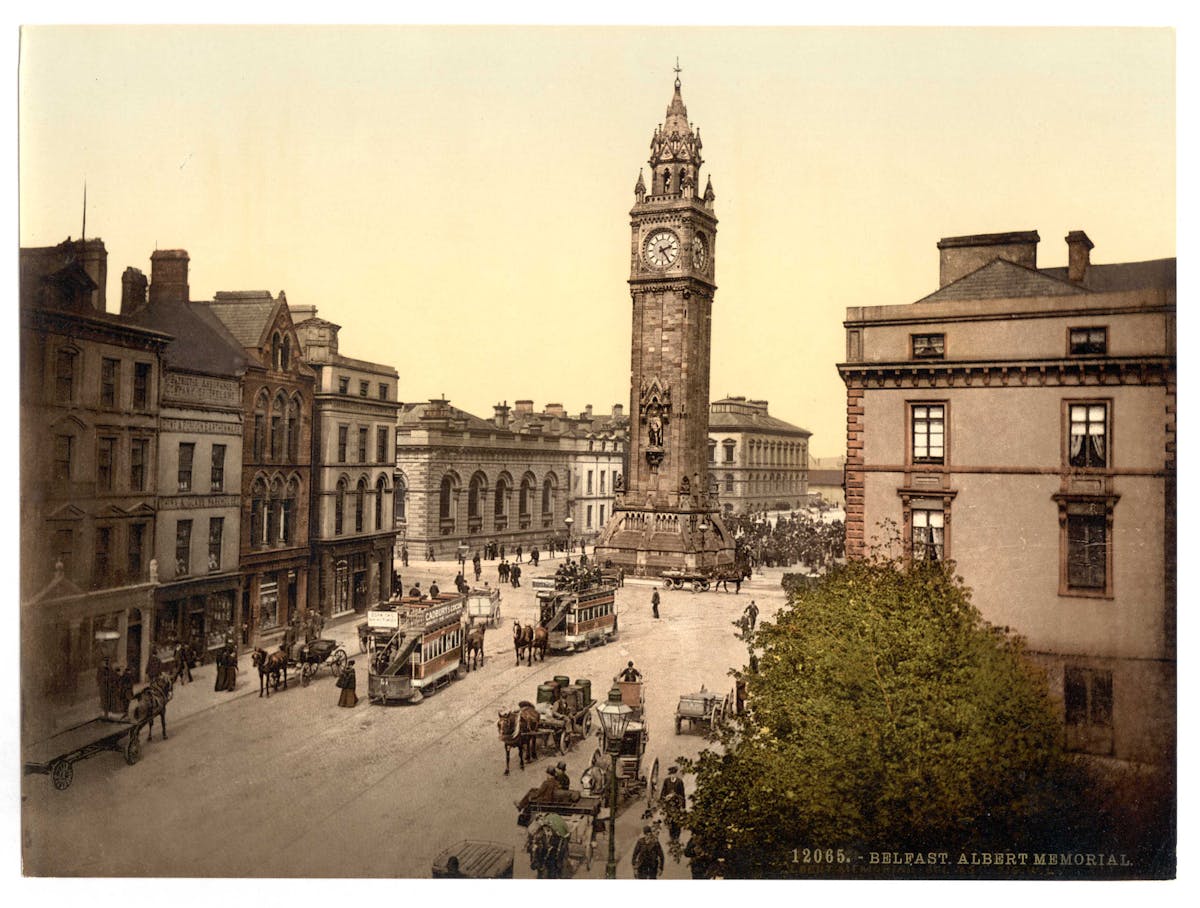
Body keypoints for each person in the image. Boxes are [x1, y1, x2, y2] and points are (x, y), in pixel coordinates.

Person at [660, 766, 687, 841]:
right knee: (670, 820)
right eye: (671, 774)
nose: (673, 775)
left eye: (674, 774)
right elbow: (663, 792)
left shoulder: (679, 782)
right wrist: (665, 798)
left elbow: (682, 794)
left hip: (677, 804)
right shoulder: (666, 781)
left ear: (676, 774)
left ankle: (677, 836)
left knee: (677, 821)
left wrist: (683, 806)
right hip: (669, 804)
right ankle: (671, 836)